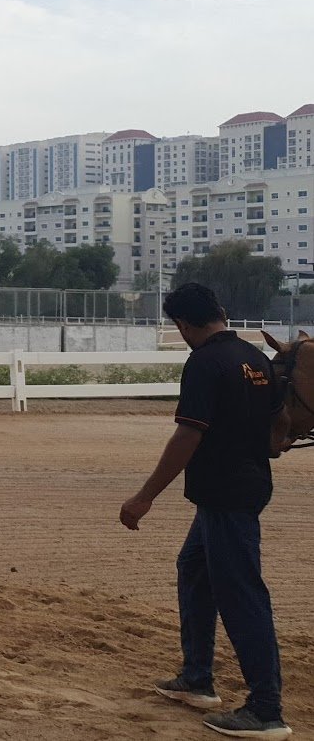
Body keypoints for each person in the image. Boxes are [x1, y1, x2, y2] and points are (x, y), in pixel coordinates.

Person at [119, 283, 292, 740]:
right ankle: (197, 679)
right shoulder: (254, 357)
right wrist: (265, 445)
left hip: (224, 492)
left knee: (241, 593)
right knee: (194, 567)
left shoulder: (204, 362)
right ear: (220, 311)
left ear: (182, 324)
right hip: (248, 485)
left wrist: (145, 496)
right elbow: (280, 420)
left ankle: (266, 709)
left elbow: (187, 436)